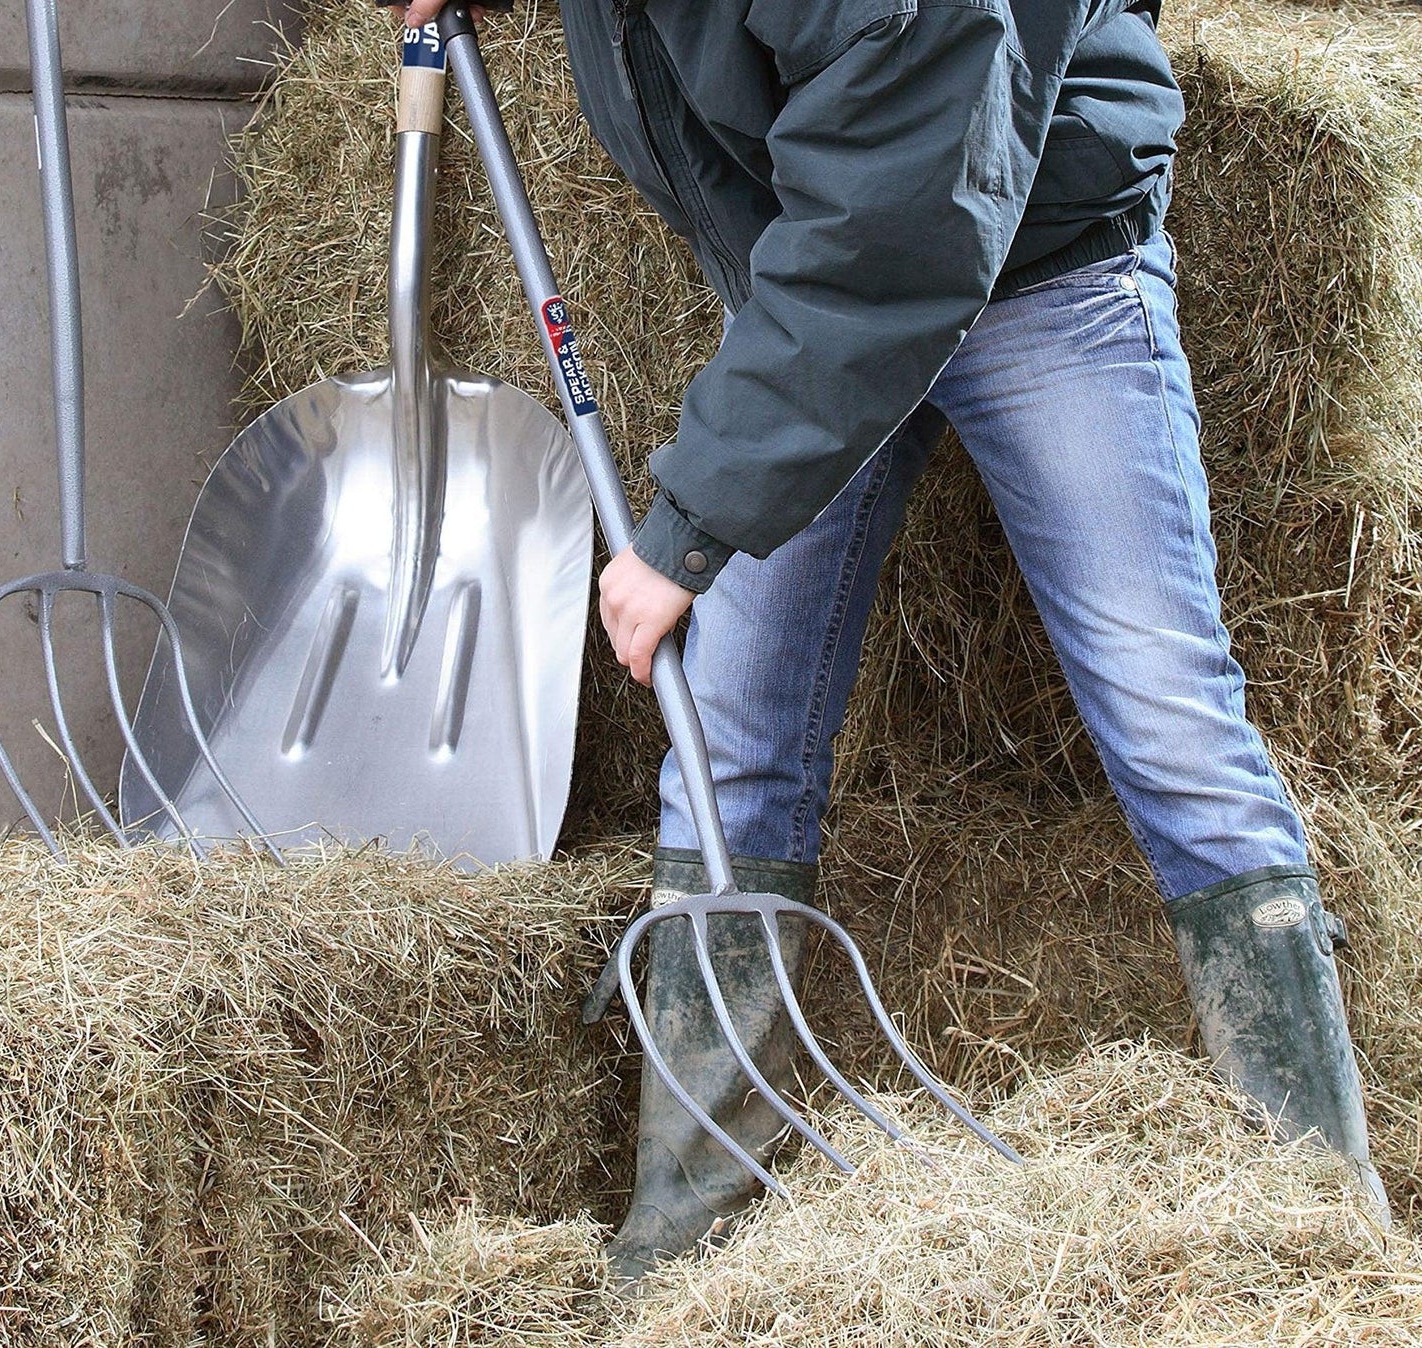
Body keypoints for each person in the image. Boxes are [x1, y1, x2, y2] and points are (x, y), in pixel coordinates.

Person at [392, 0, 1392, 1277]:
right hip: (821, 285)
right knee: (729, 734)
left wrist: (690, 527)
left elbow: (906, 212)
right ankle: (684, 1254)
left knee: (1166, 712)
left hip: (1030, 261)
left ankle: (1320, 1222)